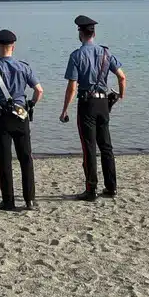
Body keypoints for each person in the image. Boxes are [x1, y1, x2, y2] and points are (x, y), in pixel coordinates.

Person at [60, 15, 127, 201]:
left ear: (80, 34)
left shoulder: (76, 56)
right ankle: (111, 187)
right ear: (94, 33)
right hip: (103, 103)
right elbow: (122, 77)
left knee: (89, 147)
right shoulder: (106, 53)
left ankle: (91, 189)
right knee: (106, 146)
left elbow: (72, 86)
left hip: (87, 103)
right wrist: (121, 95)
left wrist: (65, 109)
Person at [0, 29, 43, 211]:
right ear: (13, 47)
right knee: (25, 158)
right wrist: (30, 104)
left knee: (5, 160)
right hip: (21, 115)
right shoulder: (24, 67)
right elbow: (39, 90)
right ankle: (29, 200)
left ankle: (8, 201)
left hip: (1, 118)